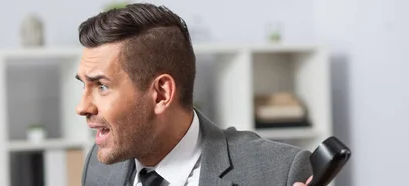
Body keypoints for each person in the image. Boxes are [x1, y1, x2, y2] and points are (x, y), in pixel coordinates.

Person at [75, 3, 313, 186]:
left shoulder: (279, 172)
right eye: (83, 85)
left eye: (102, 86)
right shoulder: (98, 168)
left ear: (161, 93)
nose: (82, 107)